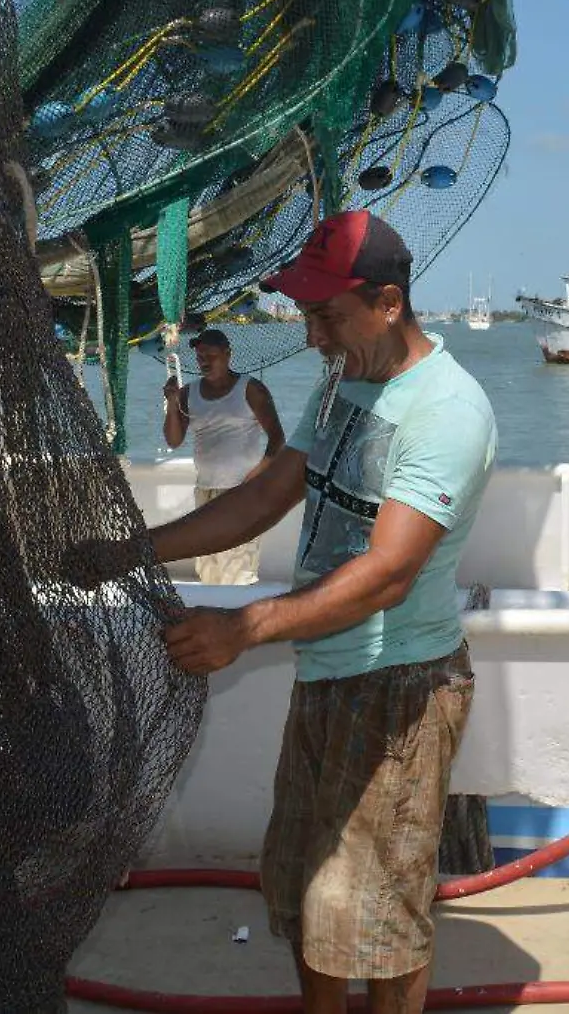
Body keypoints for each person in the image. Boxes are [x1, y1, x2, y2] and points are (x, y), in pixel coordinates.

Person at [144, 209, 496, 1013]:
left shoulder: (447, 409)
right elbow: (270, 490)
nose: (313, 337)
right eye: (305, 315)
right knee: (310, 894)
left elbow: (388, 574)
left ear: (389, 303)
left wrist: (245, 628)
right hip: (327, 674)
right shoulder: (345, 380)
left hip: (401, 688)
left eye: (327, 316)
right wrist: (139, 546)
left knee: (382, 913)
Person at [161, 328, 284, 586]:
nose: (204, 361)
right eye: (200, 357)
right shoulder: (188, 394)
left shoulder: (251, 389)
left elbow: (277, 440)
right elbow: (173, 441)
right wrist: (172, 403)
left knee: (238, 569)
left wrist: (255, 479)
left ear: (228, 354)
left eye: (211, 355)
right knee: (208, 566)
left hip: (241, 491)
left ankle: (240, 619)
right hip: (205, 490)